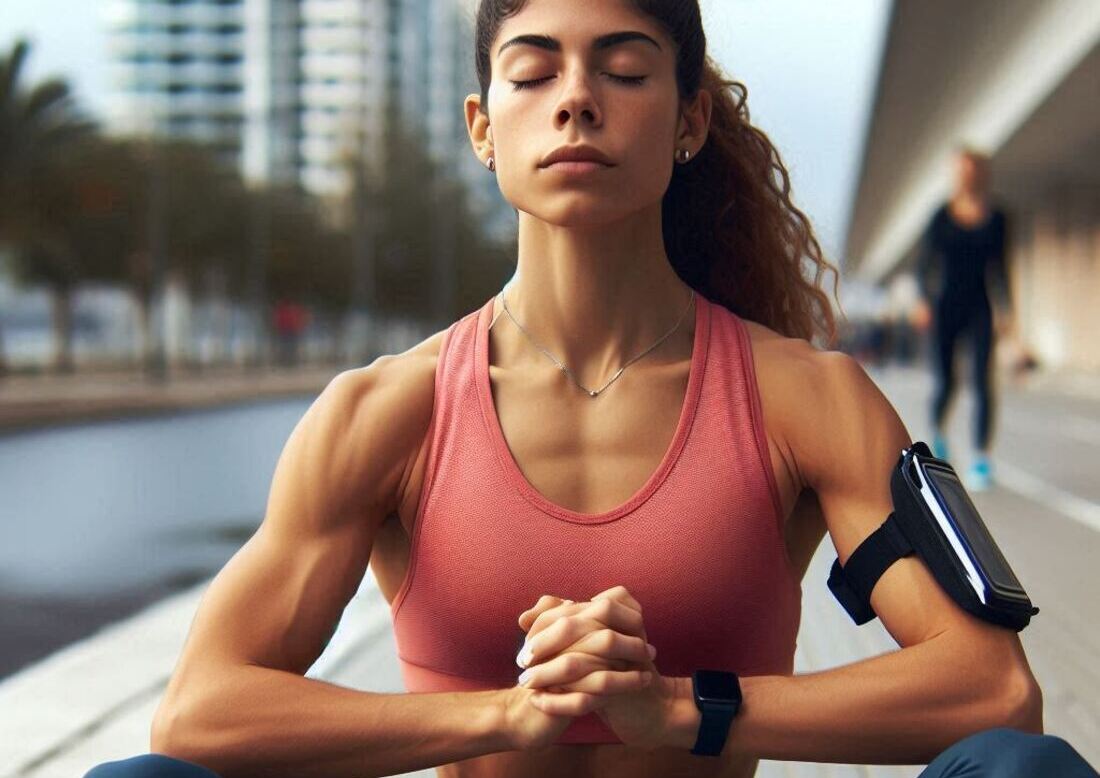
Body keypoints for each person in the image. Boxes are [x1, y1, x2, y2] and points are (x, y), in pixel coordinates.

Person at [85, 3, 1098, 777]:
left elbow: (992, 688)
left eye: (621, 68)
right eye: (533, 73)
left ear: (690, 118)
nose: (576, 97)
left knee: (1025, 771)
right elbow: (198, 712)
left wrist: (684, 707)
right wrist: (504, 712)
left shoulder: (811, 399)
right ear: (483, 128)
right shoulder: (380, 411)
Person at [911, 145, 1016, 491]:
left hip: (979, 306)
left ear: (979, 174)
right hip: (945, 306)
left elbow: (1000, 269)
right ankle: (939, 431)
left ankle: (981, 459)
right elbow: (925, 264)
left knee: (983, 382)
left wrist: (1007, 311)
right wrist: (922, 301)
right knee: (947, 382)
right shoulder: (941, 215)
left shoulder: (997, 217)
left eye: (970, 170)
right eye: (959, 170)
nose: (964, 176)